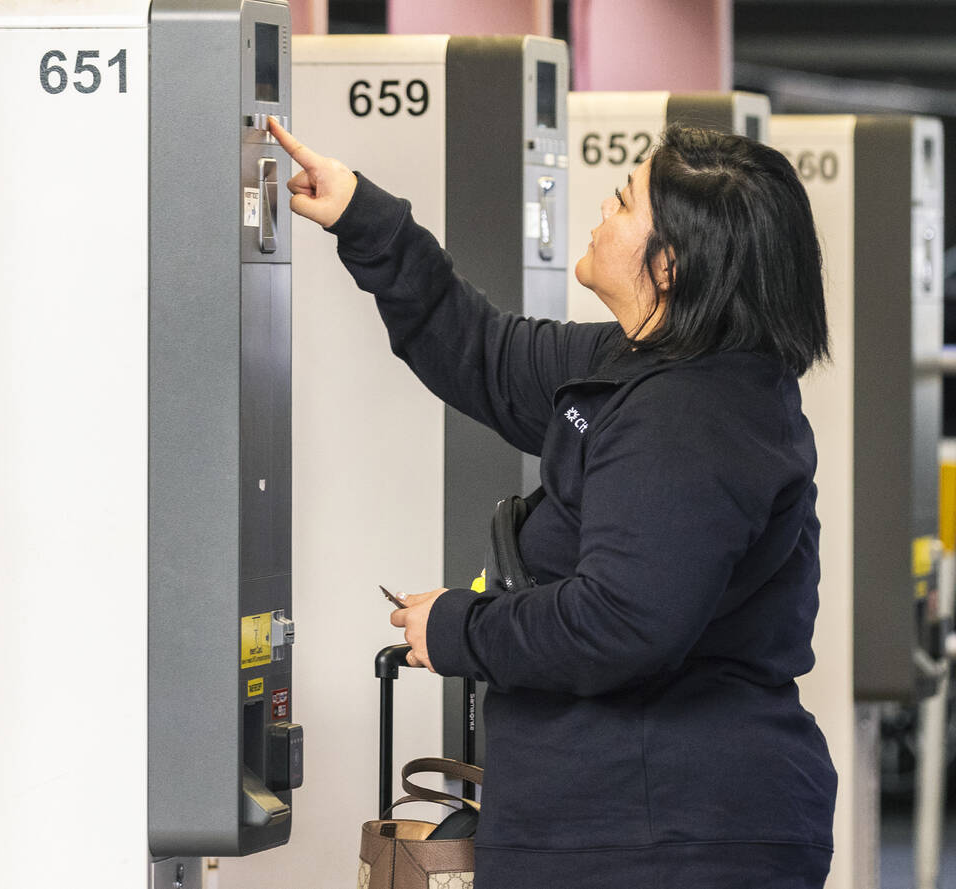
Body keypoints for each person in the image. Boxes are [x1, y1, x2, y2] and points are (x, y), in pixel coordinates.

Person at [269, 117, 838, 889]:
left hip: (664, 838)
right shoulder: (637, 362)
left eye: (622, 201)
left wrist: (458, 626)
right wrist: (363, 215)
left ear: (668, 264)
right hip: (624, 826)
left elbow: (619, 624)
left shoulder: (690, 418)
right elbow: (482, 351)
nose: (602, 212)